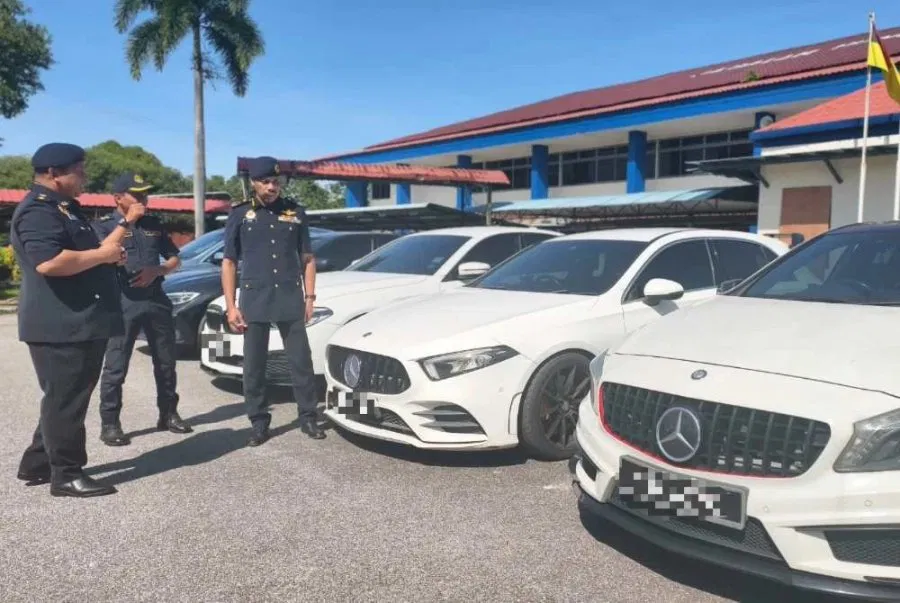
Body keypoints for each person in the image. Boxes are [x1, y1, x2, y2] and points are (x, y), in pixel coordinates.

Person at [11, 142, 142, 498]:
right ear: (54, 174)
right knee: (66, 400)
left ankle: (38, 462)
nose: (84, 177)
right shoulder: (39, 211)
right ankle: (66, 475)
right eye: (79, 171)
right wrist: (101, 256)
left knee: (65, 397)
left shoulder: (64, 209)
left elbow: (88, 255)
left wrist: (106, 255)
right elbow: (49, 262)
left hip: (79, 319)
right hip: (61, 323)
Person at [221, 156, 324, 446]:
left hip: (289, 296)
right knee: (254, 364)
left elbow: (308, 258)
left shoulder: (295, 212)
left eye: (275, 182)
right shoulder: (240, 214)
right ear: (254, 183)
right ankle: (258, 421)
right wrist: (231, 306)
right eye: (265, 182)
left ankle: (308, 416)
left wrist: (310, 297)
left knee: (300, 361)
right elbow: (229, 262)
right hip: (255, 296)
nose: (271, 187)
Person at [91, 172, 192, 446]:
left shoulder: (154, 224)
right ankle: (110, 423)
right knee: (116, 366)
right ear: (117, 198)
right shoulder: (103, 225)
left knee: (166, 362)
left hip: (156, 299)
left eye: (145, 194)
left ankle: (168, 414)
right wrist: (128, 221)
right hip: (122, 302)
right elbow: (99, 255)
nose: (143, 199)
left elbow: (175, 259)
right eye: (136, 195)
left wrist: (157, 270)